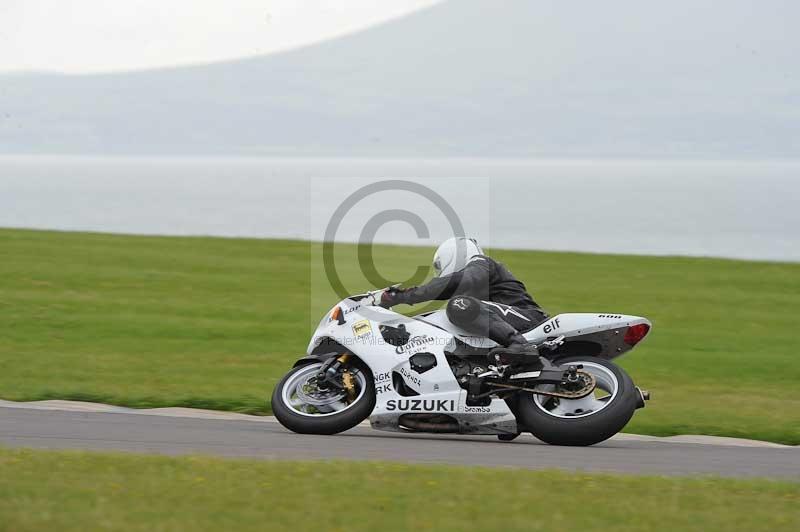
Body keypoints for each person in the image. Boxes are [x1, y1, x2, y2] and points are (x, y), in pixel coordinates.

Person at [380, 237, 549, 365]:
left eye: (438, 266)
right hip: (507, 324)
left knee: (459, 305)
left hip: (529, 318)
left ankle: (519, 344)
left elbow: (458, 281)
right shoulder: (472, 297)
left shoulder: (481, 263)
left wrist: (402, 296)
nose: (439, 272)